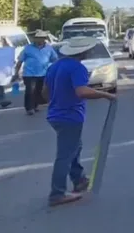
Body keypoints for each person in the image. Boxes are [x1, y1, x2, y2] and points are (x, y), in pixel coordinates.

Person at [44, 36, 116, 206]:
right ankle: (57, 193)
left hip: (55, 114)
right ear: (84, 52)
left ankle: (79, 179)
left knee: (75, 147)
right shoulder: (77, 68)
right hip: (69, 116)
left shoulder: (54, 66)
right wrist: (107, 95)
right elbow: (82, 91)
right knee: (65, 155)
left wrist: (57, 100)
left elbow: (45, 92)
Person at [14, 30, 58, 115]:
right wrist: (16, 72)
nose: (38, 40)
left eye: (40, 38)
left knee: (38, 90)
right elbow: (20, 61)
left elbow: (54, 59)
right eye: (37, 38)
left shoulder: (49, 48)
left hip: (42, 73)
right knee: (30, 91)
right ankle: (29, 108)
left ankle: (35, 105)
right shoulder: (28, 48)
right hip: (29, 74)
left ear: (44, 39)